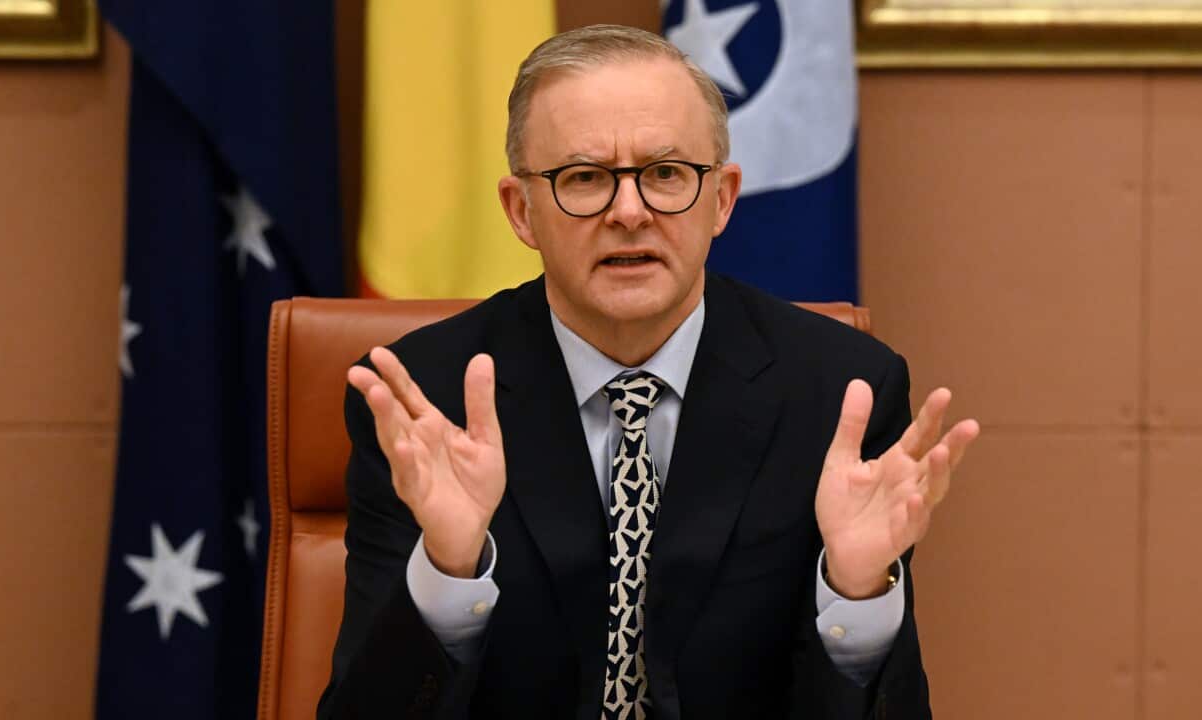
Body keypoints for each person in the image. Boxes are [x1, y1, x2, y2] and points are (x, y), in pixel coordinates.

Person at [318, 24, 979, 720]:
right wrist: (449, 571)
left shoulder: (839, 395)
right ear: (521, 212)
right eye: (583, 178)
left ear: (722, 198)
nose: (628, 213)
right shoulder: (424, 400)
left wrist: (854, 595)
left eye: (666, 174)